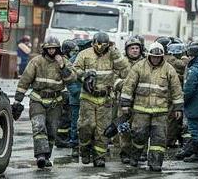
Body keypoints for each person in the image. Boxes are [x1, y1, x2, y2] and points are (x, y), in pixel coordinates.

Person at [11, 36, 76, 168]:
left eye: (54, 48)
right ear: (45, 49)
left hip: (55, 102)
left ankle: (46, 157)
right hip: (37, 100)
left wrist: (62, 66)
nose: (51, 51)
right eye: (49, 48)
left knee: (52, 131)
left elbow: (72, 79)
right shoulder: (36, 61)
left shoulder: (64, 61)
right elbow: (25, 80)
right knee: (39, 126)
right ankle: (40, 155)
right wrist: (18, 100)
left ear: (58, 49)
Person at [120, 41, 183, 172]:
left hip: (160, 113)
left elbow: (176, 89)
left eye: (158, 57)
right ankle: (135, 157)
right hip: (140, 111)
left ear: (162, 56)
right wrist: (125, 104)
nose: (155, 59)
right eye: (153, 57)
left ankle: (155, 163)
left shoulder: (168, 69)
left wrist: (178, 108)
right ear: (149, 55)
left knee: (159, 139)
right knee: (138, 136)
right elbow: (128, 86)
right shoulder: (139, 67)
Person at [74, 32, 128, 167]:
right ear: (93, 42)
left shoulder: (112, 55)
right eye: (97, 44)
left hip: (105, 99)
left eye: (103, 45)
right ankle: (85, 150)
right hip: (88, 97)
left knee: (102, 130)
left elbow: (125, 70)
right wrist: (84, 77)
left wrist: (115, 52)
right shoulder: (84, 54)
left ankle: (99, 157)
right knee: (87, 126)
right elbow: (75, 70)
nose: (100, 48)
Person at [116, 36, 144, 164]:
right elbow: (113, 78)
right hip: (123, 102)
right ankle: (125, 154)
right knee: (124, 129)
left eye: (137, 48)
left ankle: (140, 153)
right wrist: (126, 85)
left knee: (140, 129)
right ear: (127, 50)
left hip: (141, 102)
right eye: (132, 48)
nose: (134, 50)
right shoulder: (121, 63)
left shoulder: (146, 62)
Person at [62, 39, 81, 157]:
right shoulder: (69, 62)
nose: (76, 53)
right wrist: (76, 93)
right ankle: (74, 143)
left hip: (78, 98)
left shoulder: (77, 60)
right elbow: (70, 81)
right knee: (73, 122)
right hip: (74, 98)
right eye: (74, 51)